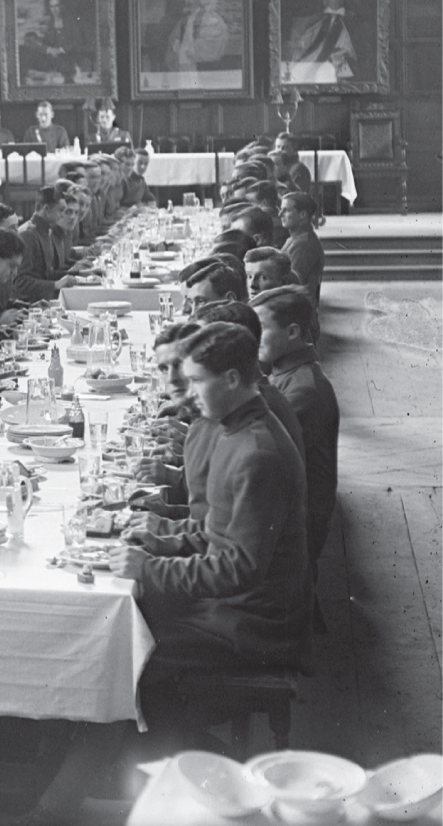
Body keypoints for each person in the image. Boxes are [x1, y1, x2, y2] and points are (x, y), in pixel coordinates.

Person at [111, 324, 311, 737]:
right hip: (234, 607)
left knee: (120, 648)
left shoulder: (257, 452)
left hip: (255, 623)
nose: (189, 389)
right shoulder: (233, 429)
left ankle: (194, 763)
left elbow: (239, 568)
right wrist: (160, 538)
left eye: (198, 380)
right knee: (123, 624)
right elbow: (215, 530)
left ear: (233, 379)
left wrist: (149, 569)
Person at [252, 287, 339, 568]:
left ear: (292, 332)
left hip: (294, 535)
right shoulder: (286, 372)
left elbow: (261, 462)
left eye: (260, 329)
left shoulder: (303, 390)